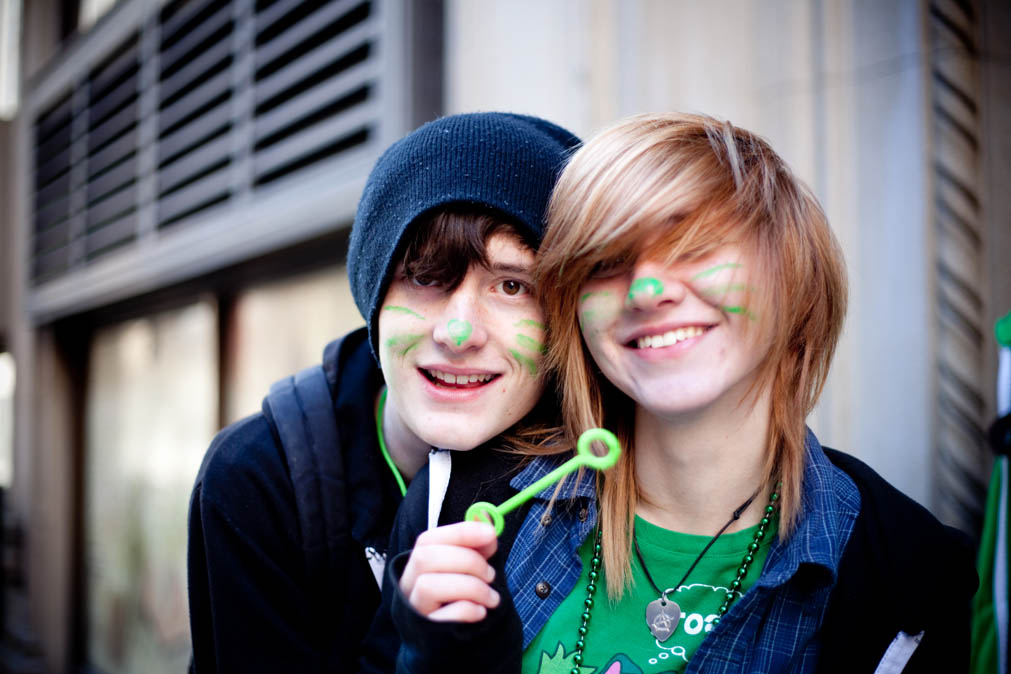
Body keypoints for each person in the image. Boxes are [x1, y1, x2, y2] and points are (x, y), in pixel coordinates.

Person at [380, 112, 978, 673]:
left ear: (794, 277)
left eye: (694, 248)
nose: (645, 290)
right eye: (607, 262)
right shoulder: (460, 500)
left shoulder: (912, 571)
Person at [186, 112, 580, 673]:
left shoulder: (595, 472)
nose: (457, 332)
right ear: (372, 294)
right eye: (424, 277)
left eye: (513, 286)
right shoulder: (255, 480)